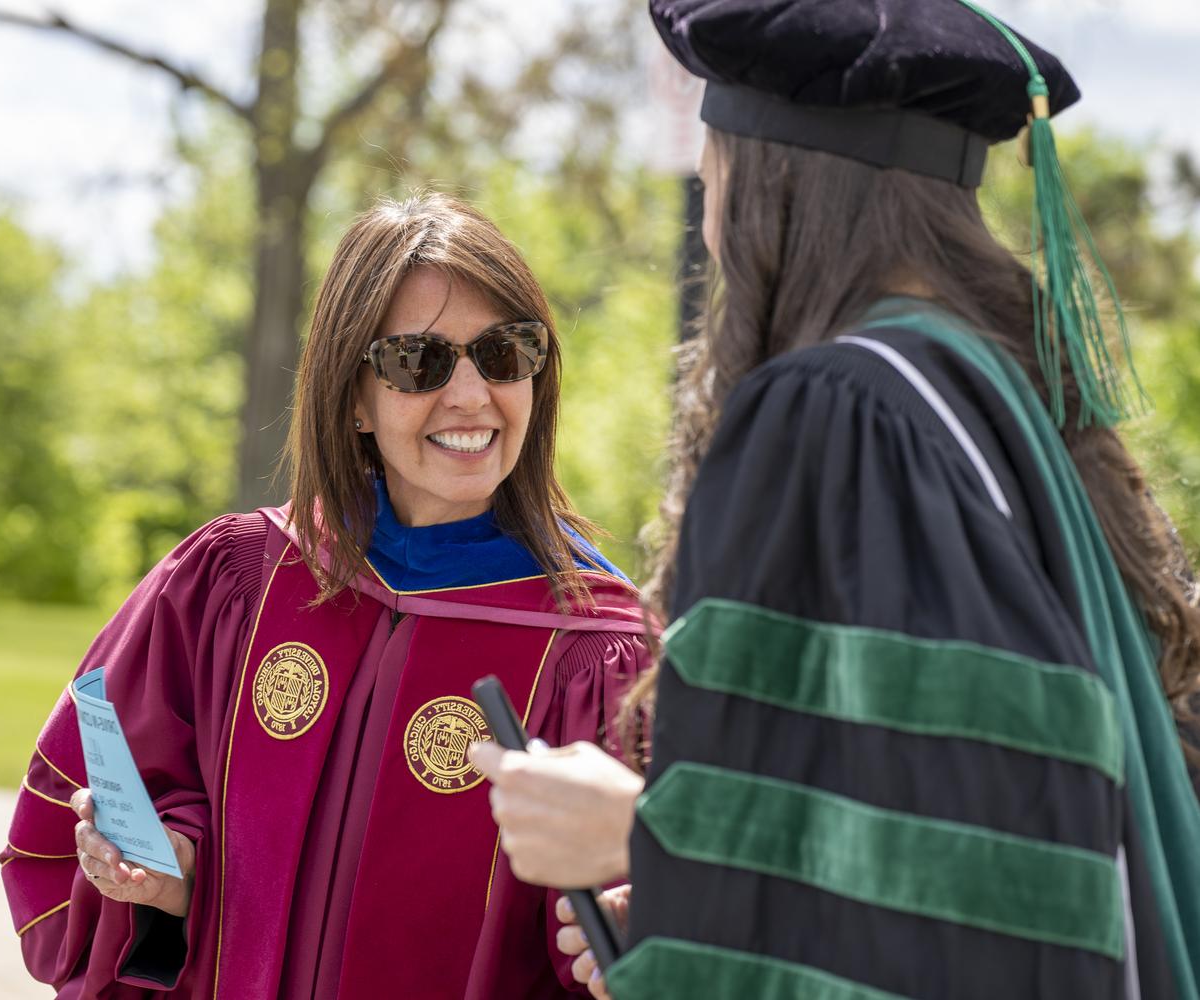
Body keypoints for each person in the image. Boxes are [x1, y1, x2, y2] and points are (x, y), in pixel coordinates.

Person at [472, 2, 1200, 998]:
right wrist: (693, 921)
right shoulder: (1010, 398)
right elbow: (960, 822)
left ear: (772, 187)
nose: (713, 221)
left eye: (716, 174)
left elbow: (976, 880)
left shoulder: (837, 412)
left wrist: (648, 840)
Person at [0, 192, 650, 999]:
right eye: (421, 361)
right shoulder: (236, 584)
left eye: (506, 352)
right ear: (352, 398)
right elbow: (71, 828)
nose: (474, 396)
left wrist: (639, 931)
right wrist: (167, 877)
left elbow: (620, 936)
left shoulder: (597, 650)